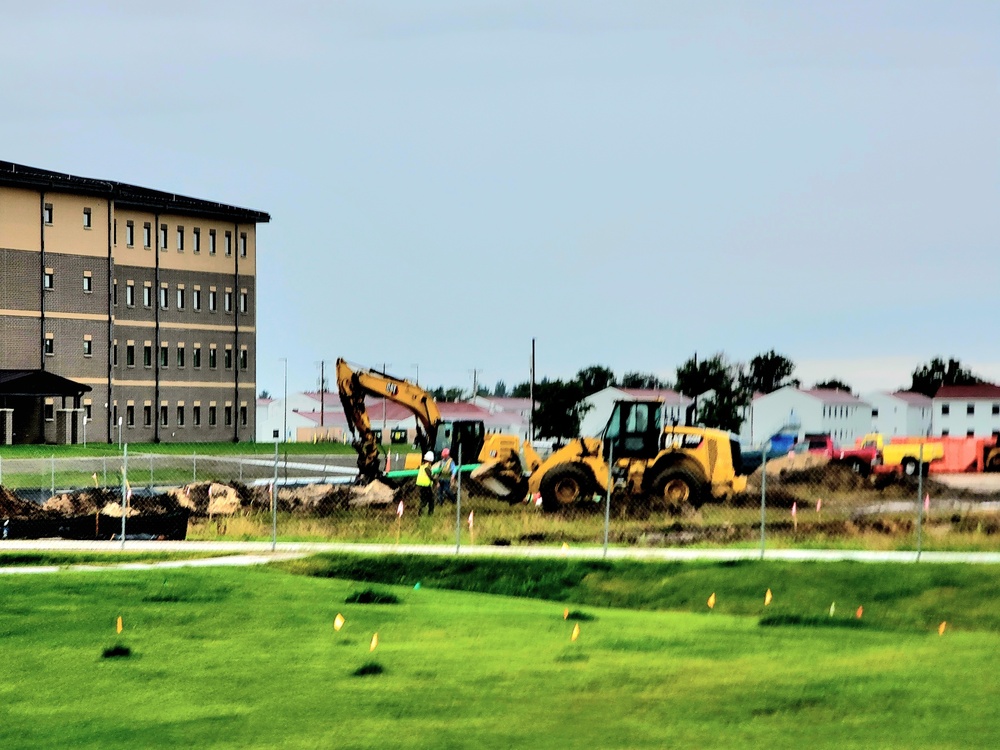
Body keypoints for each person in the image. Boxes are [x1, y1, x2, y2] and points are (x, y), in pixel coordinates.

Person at [416, 450, 435, 516]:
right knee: (430, 500)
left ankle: (421, 512)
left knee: (424, 500)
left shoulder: (421, 466)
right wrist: (435, 480)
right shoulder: (427, 467)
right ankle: (429, 513)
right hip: (426, 486)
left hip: (421, 486)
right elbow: (429, 475)